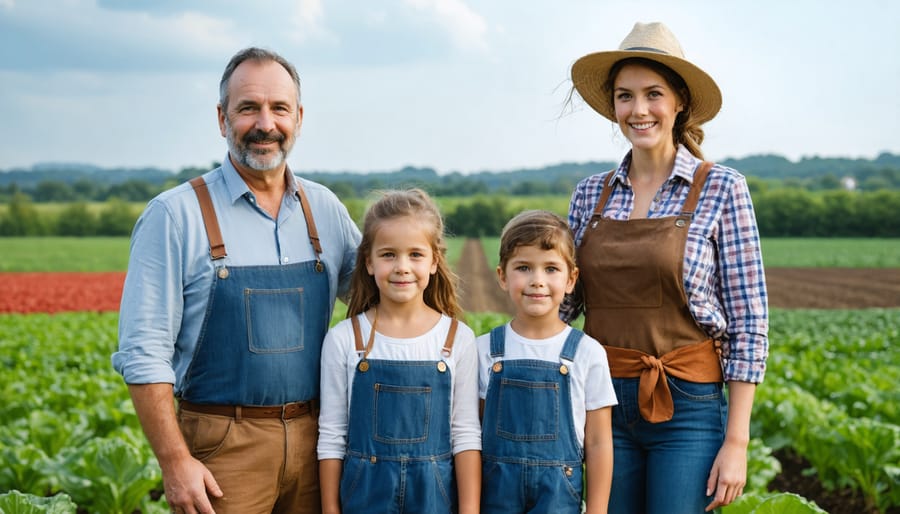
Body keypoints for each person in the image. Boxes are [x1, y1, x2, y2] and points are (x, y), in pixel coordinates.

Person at [112, 47, 361, 514]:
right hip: (222, 447)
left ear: (299, 118)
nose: (265, 123)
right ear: (222, 118)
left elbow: (382, 301)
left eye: (279, 108)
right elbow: (143, 353)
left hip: (318, 440)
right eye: (248, 108)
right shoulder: (175, 215)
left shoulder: (324, 209)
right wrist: (174, 461)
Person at [563, 22, 769, 513]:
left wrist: (736, 442)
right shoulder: (590, 194)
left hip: (689, 408)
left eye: (653, 94)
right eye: (624, 96)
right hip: (601, 402)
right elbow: (562, 303)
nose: (638, 110)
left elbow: (749, 322)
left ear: (678, 102)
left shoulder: (721, 188)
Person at [317, 188, 481, 514]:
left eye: (415, 255)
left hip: (435, 501)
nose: (402, 267)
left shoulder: (457, 339)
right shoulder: (344, 340)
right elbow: (332, 437)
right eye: (389, 254)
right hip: (363, 500)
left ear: (435, 262)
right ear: (368, 261)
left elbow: (465, 436)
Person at [478, 210, 616, 514]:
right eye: (524, 268)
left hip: (559, 499)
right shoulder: (485, 350)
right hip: (495, 499)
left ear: (571, 279)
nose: (537, 281)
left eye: (551, 269)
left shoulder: (587, 353)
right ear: (502, 276)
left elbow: (598, 442)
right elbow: (473, 437)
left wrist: (597, 510)